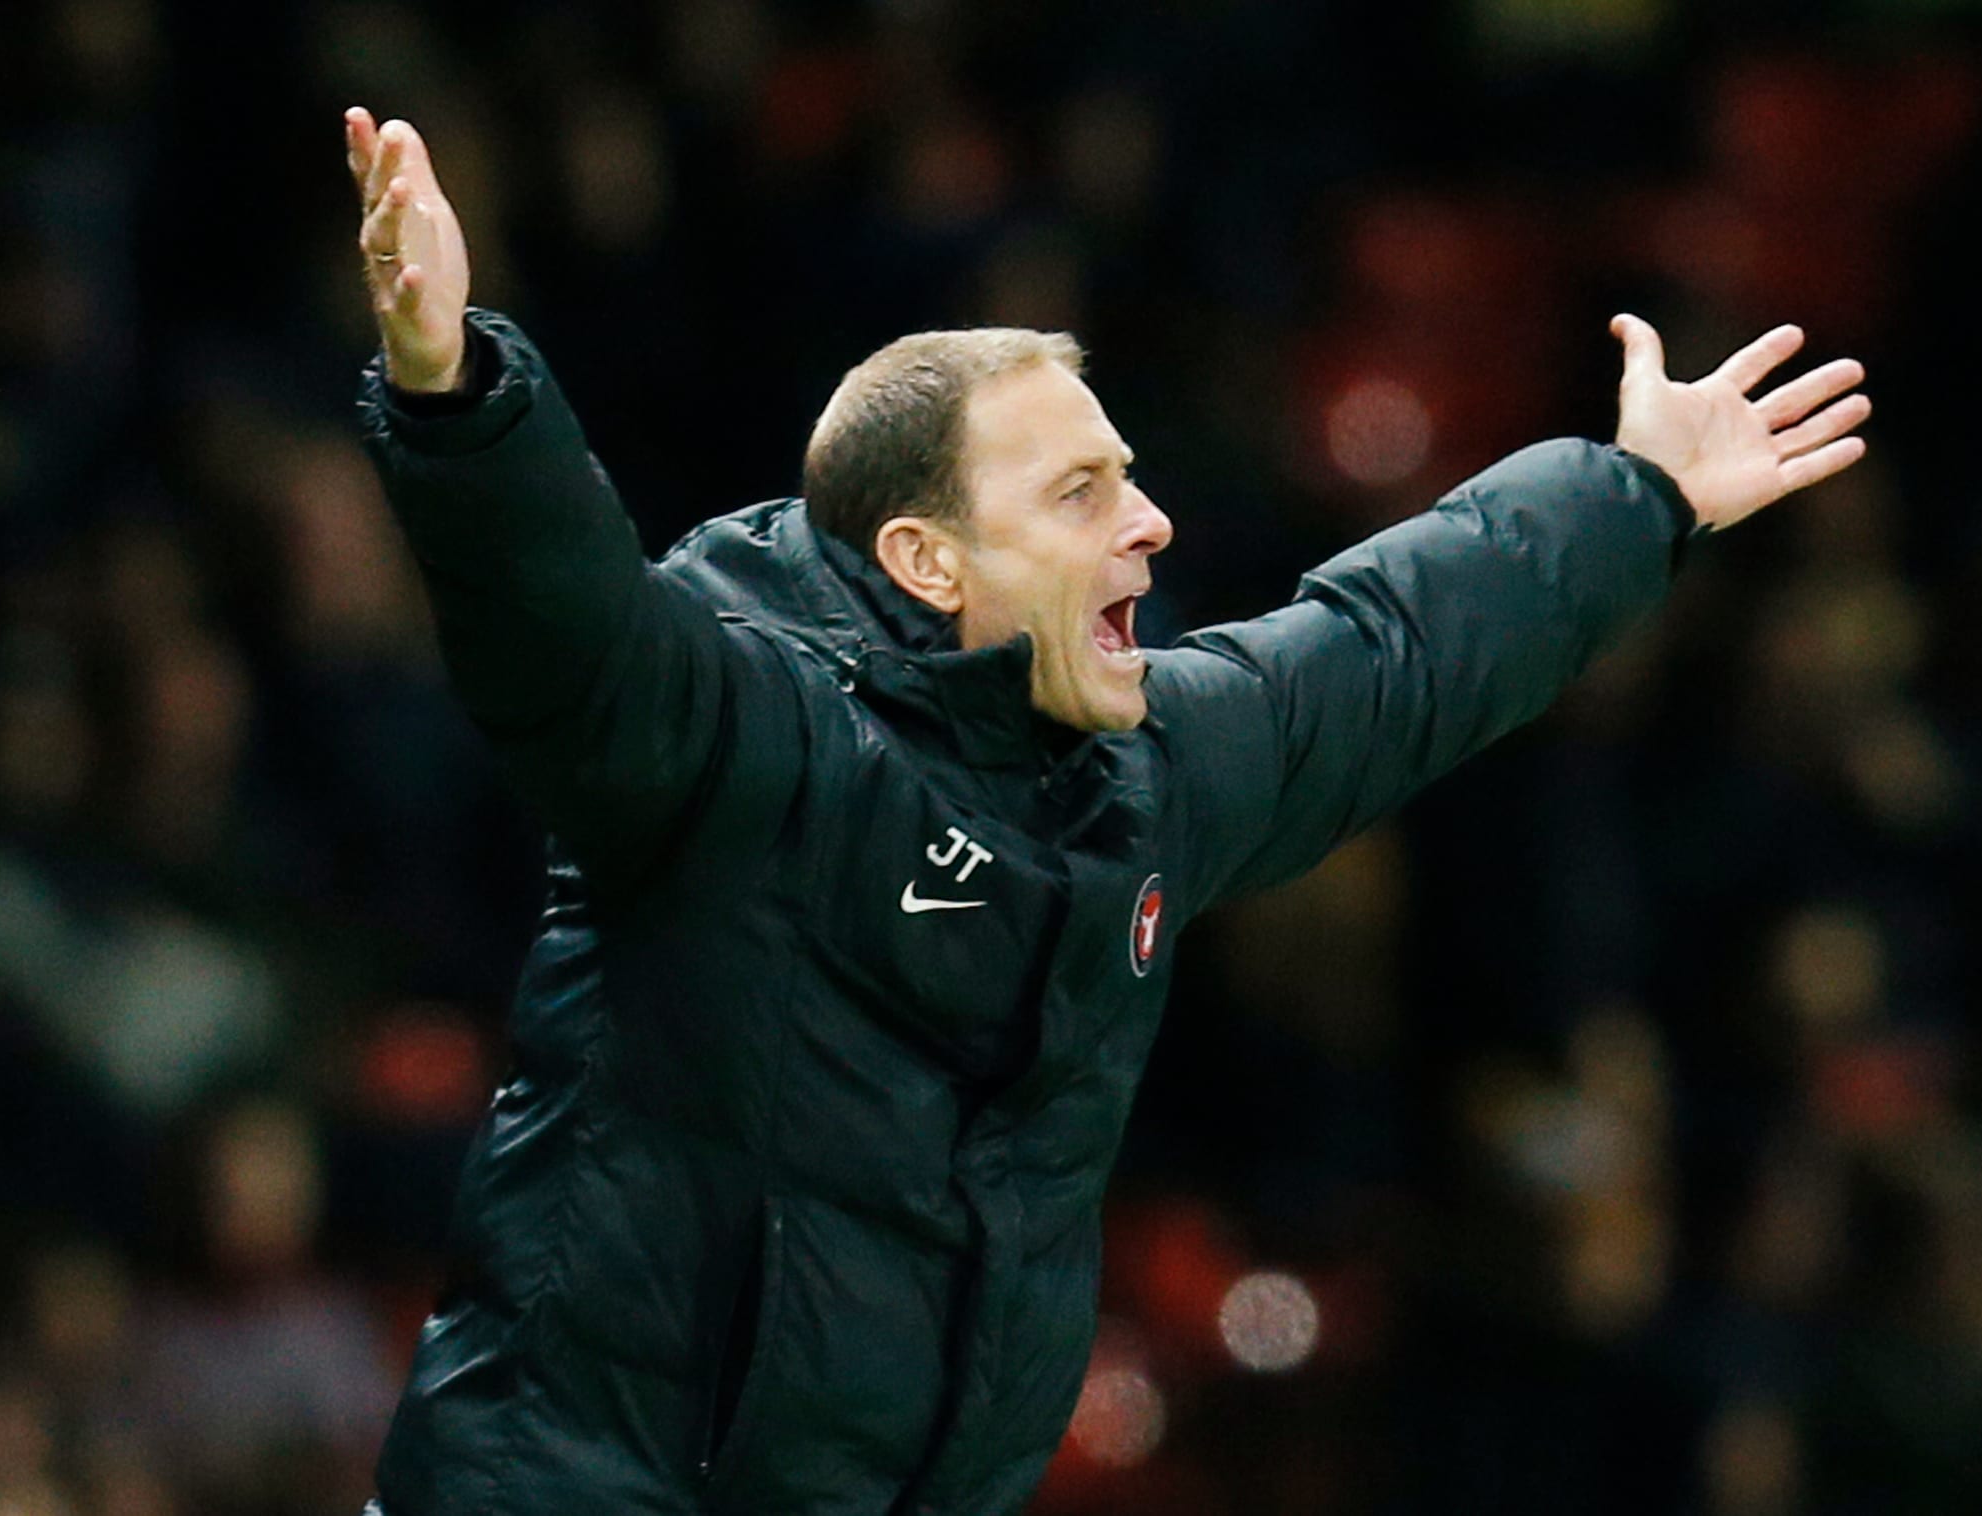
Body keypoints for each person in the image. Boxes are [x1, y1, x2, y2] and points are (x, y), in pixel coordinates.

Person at [342, 103, 1868, 1516]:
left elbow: (1389, 654)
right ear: (930, 561)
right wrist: (460, 395)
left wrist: (1635, 492)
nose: (1149, 520)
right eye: (1080, 493)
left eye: (1126, 476)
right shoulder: (744, 743)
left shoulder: (1140, 779)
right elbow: (571, 636)